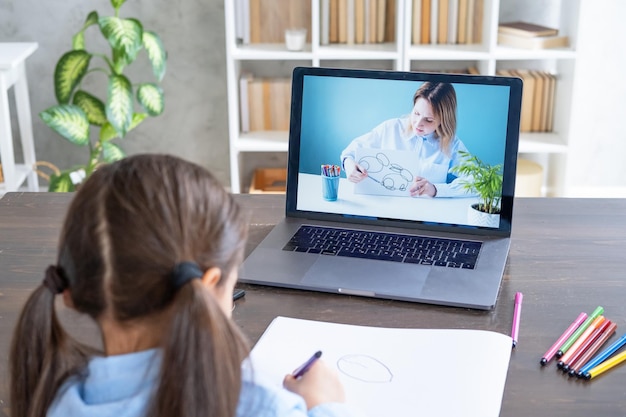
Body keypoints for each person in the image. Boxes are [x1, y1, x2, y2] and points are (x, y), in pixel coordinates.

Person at [9, 154, 355, 417]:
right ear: (209, 284)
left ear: (69, 292)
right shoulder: (259, 405)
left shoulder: (60, 404)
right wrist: (325, 406)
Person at [340, 81, 476, 198]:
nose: (418, 123)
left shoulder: (452, 145)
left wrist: (436, 189)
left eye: (428, 120)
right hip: (384, 212)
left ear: (443, 120)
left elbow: (477, 182)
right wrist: (349, 164)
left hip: (426, 218)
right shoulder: (390, 128)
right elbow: (350, 152)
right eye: (416, 113)